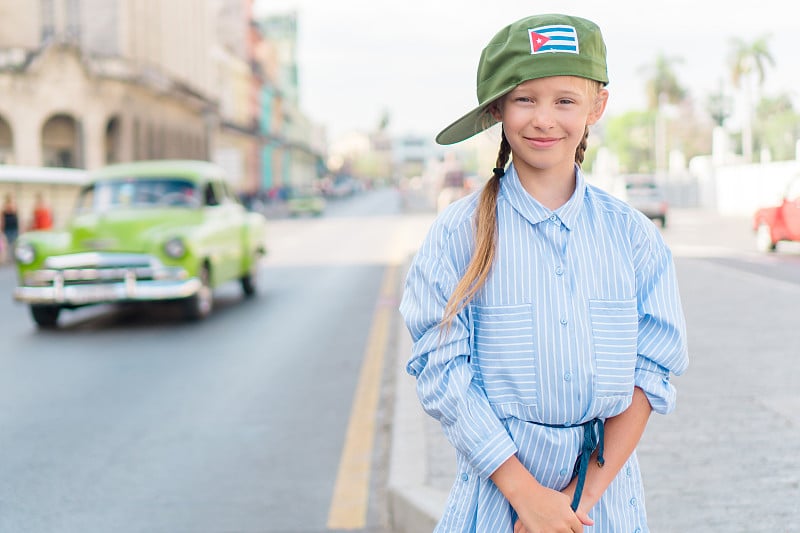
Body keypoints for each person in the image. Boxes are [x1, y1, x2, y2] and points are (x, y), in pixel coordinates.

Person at [399, 13, 688, 533]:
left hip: (605, 508)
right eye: (525, 99)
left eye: (565, 100)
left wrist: (577, 504)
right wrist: (527, 498)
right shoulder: (457, 234)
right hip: (496, 503)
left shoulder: (633, 236)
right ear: (497, 108)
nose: (544, 119)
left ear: (597, 106)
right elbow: (442, 372)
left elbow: (652, 371)